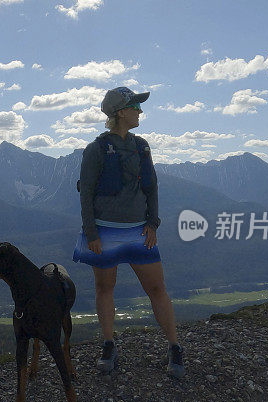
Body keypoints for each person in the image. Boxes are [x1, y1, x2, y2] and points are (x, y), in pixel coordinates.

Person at [72, 86, 185, 379]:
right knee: (105, 288)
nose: (140, 111)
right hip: (104, 231)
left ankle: (174, 346)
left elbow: (152, 187)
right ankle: (109, 344)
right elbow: (85, 195)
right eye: (135, 105)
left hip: (138, 230)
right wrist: (91, 233)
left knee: (156, 289)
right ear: (120, 112)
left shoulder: (142, 145)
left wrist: (152, 223)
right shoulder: (95, 149)